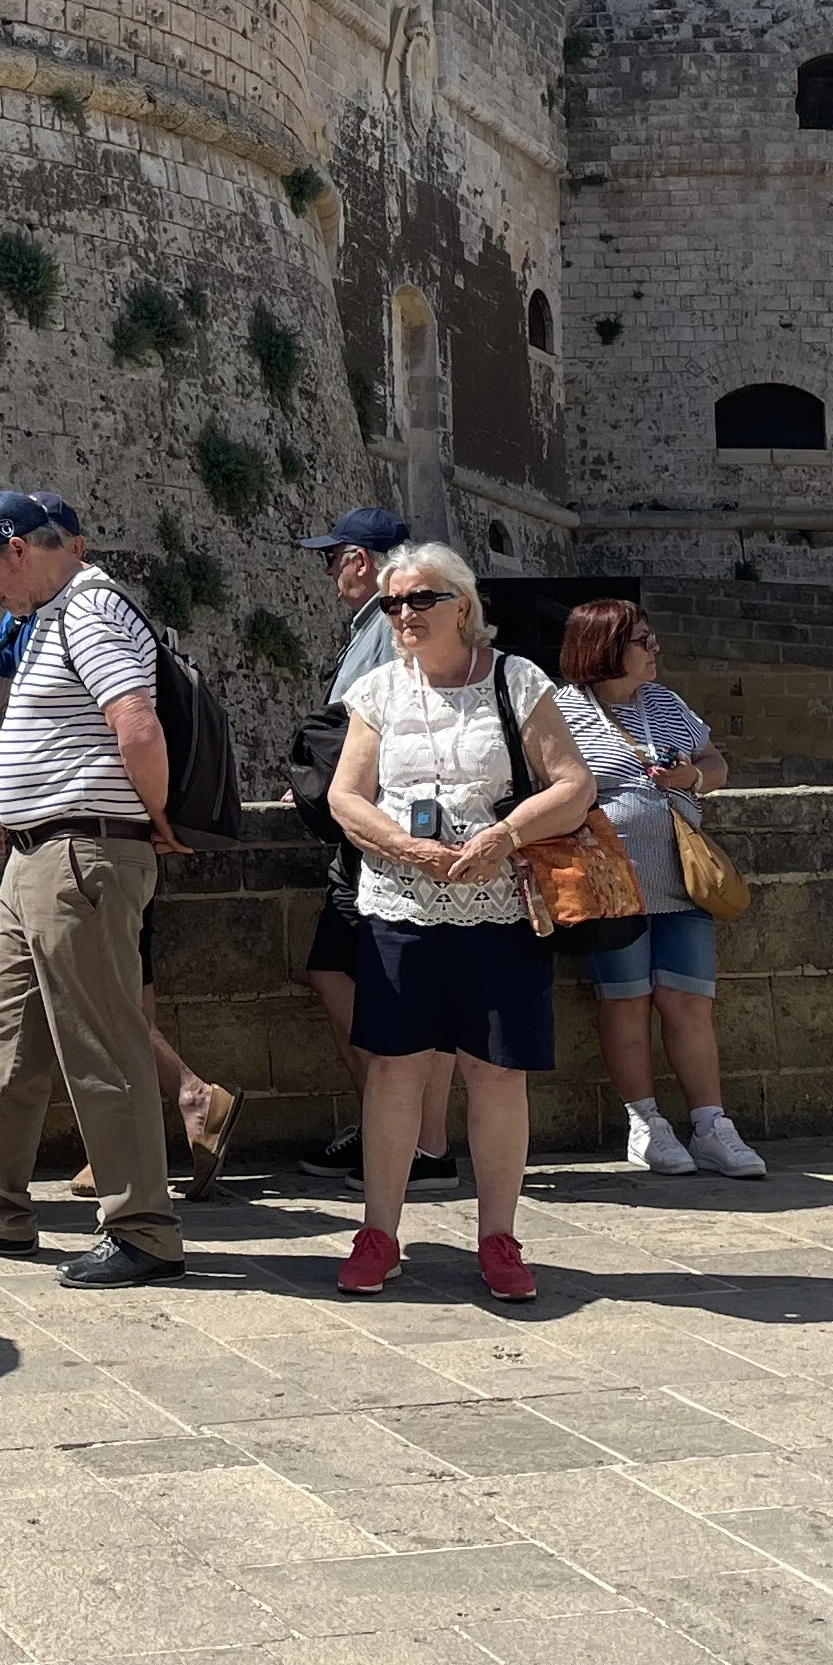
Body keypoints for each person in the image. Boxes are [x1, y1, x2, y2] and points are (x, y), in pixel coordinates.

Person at [0, 490, 183, 1288]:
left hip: (81, 853)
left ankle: (143, 1227)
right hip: (43, 857)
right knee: (7, 1036)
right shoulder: (50, 617)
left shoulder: (90, 611)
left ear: (22, 549)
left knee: (101, 1044)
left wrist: (155, 815)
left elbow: (135, 722)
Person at [325, 542, 597, 1301]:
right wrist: (403, 845)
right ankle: (378, 1233)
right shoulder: (378, 691)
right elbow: (347, 797)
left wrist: (505, 837)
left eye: (420, 600)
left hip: (500, 906)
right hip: (401, 907)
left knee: (496, 1074)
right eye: (392, 603)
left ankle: (498, 1238)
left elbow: (574, 784)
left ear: (462, 606)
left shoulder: (516, 680)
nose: (404, 615)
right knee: (394, 1073)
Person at [551, 599, 764, 1179]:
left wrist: (691, 777)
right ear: (605, 648)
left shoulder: (664, 704)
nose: (655, 650)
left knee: (689, 1001)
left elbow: (715, 763)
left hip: (683, 881)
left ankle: (711, 1124)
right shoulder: (561, 713)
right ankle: (644, 1123)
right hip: (610, 887)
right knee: (626, 1002)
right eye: (642, 641)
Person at [287, 507, 453, 1185]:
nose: (330, 572)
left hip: (382, 835)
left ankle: (416, 1139)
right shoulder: (378, 632)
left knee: (402, 985)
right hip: (373, 831)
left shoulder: (387, 634)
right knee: (346, 972)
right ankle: (399, 1128)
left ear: (359, 560)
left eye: (332, 559)